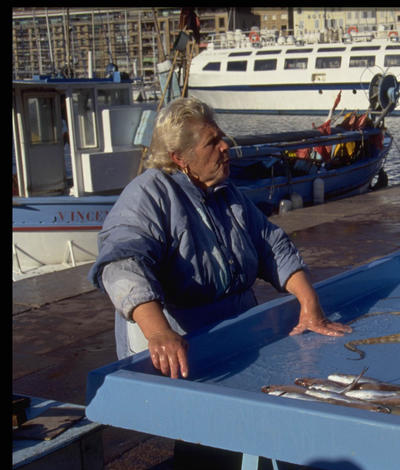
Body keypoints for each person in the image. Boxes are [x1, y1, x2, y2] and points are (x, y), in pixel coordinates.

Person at [89, 96, 351, 380]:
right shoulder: (148, 195)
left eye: (222, 138)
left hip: (238, 336)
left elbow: (270, 244)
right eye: (212, 143)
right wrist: (159, 332)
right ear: (180, 158)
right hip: (179, 352)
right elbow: (121, 264)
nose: (225, 146)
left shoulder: (227, 192)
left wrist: (309, 300)